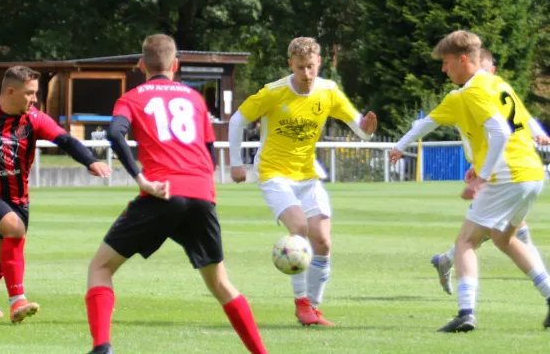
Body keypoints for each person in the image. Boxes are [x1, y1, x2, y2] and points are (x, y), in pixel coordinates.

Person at [84, 34, 268, 354]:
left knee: (100, 268)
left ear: (141, 65)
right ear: (176, 65)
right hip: (200, 194)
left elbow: (115, 133)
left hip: (161, 193)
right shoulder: (195, 99)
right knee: (220, 283)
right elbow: (209, 154)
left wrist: (140, 178)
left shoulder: (132, 97)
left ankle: (102, 348)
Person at [390, 30, 550, 332]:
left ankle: (466, 313)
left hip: (507, 176)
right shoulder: (497, 84)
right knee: (505, 239)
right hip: (531, 173)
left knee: (465, 241)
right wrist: (401, 145)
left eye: (447, 62)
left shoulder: (472, 90)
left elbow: (500, 132)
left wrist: (482, 178)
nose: (443, 69)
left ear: (463, 60)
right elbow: (430, 123)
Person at [228, 37, 377, 326]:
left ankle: (313, 307)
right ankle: (301, 305)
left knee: (322, 241)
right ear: (290, 65)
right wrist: (236, 164)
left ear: (319, 62)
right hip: (274, 174)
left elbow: (359, 127)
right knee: (298, 228)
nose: (306, 74)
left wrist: (368, 130)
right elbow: (236, 120)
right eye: (300, 68)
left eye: (310, 67)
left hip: (308, 175)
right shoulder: (274, 92)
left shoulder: (328, 91)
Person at [0, 66, 111, 323]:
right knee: (13, 229)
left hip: (18, 201)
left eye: (35, 93)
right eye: (30, 93)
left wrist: (90, 161)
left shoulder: (34, 119)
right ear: (10, 92)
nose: (34, 99)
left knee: (3, 253)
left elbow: (66, 141)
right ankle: (18, 302)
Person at [430, 48, 549, 295]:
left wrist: (538, 132)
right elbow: (486, 134)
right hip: (499, 172)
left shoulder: (494, 90)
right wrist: (479, 167)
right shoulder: (470, 95)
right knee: (500, 234)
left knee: (494, 232)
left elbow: (520, 121)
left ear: (491, 71)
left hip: (507, 169)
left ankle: (446, 261)